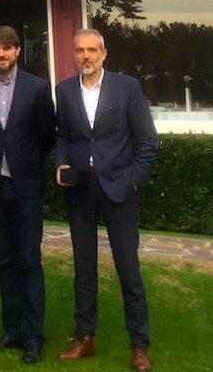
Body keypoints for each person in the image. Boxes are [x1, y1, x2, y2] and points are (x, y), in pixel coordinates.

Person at [55, 29, 158, 372]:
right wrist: (61, 164)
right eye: (80, 50)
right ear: (73, 54)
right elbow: (65, 137)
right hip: (80, 190)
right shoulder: (65, 91)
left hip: (119, 190)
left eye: (91, 50)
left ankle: (139, 346)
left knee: (128, 270)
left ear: (104, 53)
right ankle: (84, 338)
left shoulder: (127, 88)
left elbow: (147, 140)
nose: (86, 56)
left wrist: (135, 182)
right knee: (84, 271)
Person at [0, 25, 56, 365]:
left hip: (26, 187)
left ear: (17, 51)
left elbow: (48, 135)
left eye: (7, 49)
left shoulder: (38, 88)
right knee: (5, 262)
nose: (2, 55)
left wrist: (28, 162)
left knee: (29, 261)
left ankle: (34, 336)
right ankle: (12, 330)